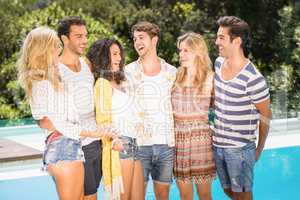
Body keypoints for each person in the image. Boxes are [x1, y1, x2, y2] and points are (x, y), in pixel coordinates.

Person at [17, 26, 106, 200]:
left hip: (68, 147)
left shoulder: (47, 79)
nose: (59, 50)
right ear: (44, 50)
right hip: (63, 148)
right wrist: (91, 132)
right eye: (55, 46)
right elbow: (54, 123)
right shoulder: (41, 83)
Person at [213, 16, 271, 200]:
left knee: (244, 196)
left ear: (236, 41)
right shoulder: (218, 63)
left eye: (221, 37)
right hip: (218, 145)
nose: (216, 42)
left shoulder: (253, 78)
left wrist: (258, 149)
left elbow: (266, 115)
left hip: (239, 150)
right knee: (228, 191)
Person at [124, 21, 177, 200]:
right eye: (135, 39)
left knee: (163, 195)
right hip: (139, 146)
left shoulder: (172, 72)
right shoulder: (127, 72)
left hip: (166, 145)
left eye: (142, 38)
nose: (137, 42)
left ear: (154, 40)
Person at [87, 38, 145, 200]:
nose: (119, 58)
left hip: (134, 141)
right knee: (121, 197)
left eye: (119, 54)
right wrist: (116, 139)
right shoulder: (102, 84)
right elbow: (103, 119)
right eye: (114, 54)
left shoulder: (121, 82)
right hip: (120, 143)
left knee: (138, 197)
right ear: (103, 57)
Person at [171, 32, 216, 200]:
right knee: (185, 195)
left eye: (186, 50)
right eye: (180, 50)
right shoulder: (175, 75)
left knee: (204, 195)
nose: (181, 54)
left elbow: (222, 108)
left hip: (201, 142)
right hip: (179, 141)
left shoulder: (211, 78)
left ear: (198, 51)